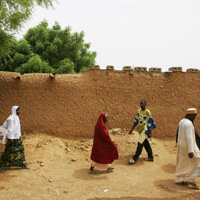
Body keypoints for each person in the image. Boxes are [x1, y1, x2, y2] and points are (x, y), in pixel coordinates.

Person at [175, 108, 200, 189]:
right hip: (190, 146)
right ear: (191, 115)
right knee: (199, 160)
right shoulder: (189, 124)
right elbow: (189, 137)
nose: (195, 118)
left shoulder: (182, 121)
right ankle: (191, 179)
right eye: (194, 116)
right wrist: (190, 151)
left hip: (182, 145)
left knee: (183, 162)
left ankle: (179, 179)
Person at [0, 106, 29, 171]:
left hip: (17, 137)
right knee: (8, 151)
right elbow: (10, 129)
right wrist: (11, 138)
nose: (19, 112)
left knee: (20, 150)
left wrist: (18, 136)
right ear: (14, 111)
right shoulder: (11, 118)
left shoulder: (16, 117)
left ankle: (22, 164)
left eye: (19, 110)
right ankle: (2, 164)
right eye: (18, 110)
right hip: (12, 138)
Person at [128, 100, 156, 164]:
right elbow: (136, 120)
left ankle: (135, 158)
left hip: (145, 130)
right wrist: (132, 129)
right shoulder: (138, 111)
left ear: (145, 104)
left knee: (140, 143)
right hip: (140, 130)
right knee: (146, 143)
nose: (141, 104)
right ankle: (150, 157)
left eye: (142, 103)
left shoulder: (147, 112)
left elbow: (150, 122)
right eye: (140, 103)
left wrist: (150, 132)